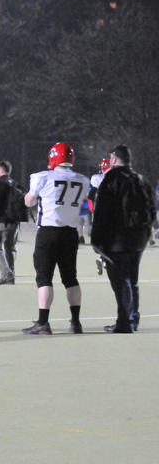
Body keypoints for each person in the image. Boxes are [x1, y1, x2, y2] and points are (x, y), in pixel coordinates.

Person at [21, 142, 89, 335]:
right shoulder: (83, 180)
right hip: (70, 233)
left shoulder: (42, 177)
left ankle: (43, 322)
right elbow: (82, 203)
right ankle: (76, 322)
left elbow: (29, 201)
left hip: (49, 232)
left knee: (44, 278)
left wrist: (32, 196)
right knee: (70, 278)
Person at [91, 145, 156, 333]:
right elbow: (152, 207)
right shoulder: (140, 179)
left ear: (113, 159)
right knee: (132, 279)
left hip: (118, 238)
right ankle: (133, 318)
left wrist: (96, 239)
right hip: (139, 237)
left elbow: (102, 210)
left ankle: (124, 321)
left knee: (121, 280)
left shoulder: (112, 178)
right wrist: (147, 231)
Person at [0, 161, 23, 285]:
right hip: (14, 222)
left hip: (2, 222)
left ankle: (7, 273)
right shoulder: (14, 183)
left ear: (1, 170)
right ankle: (11, 275)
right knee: (10, 248)